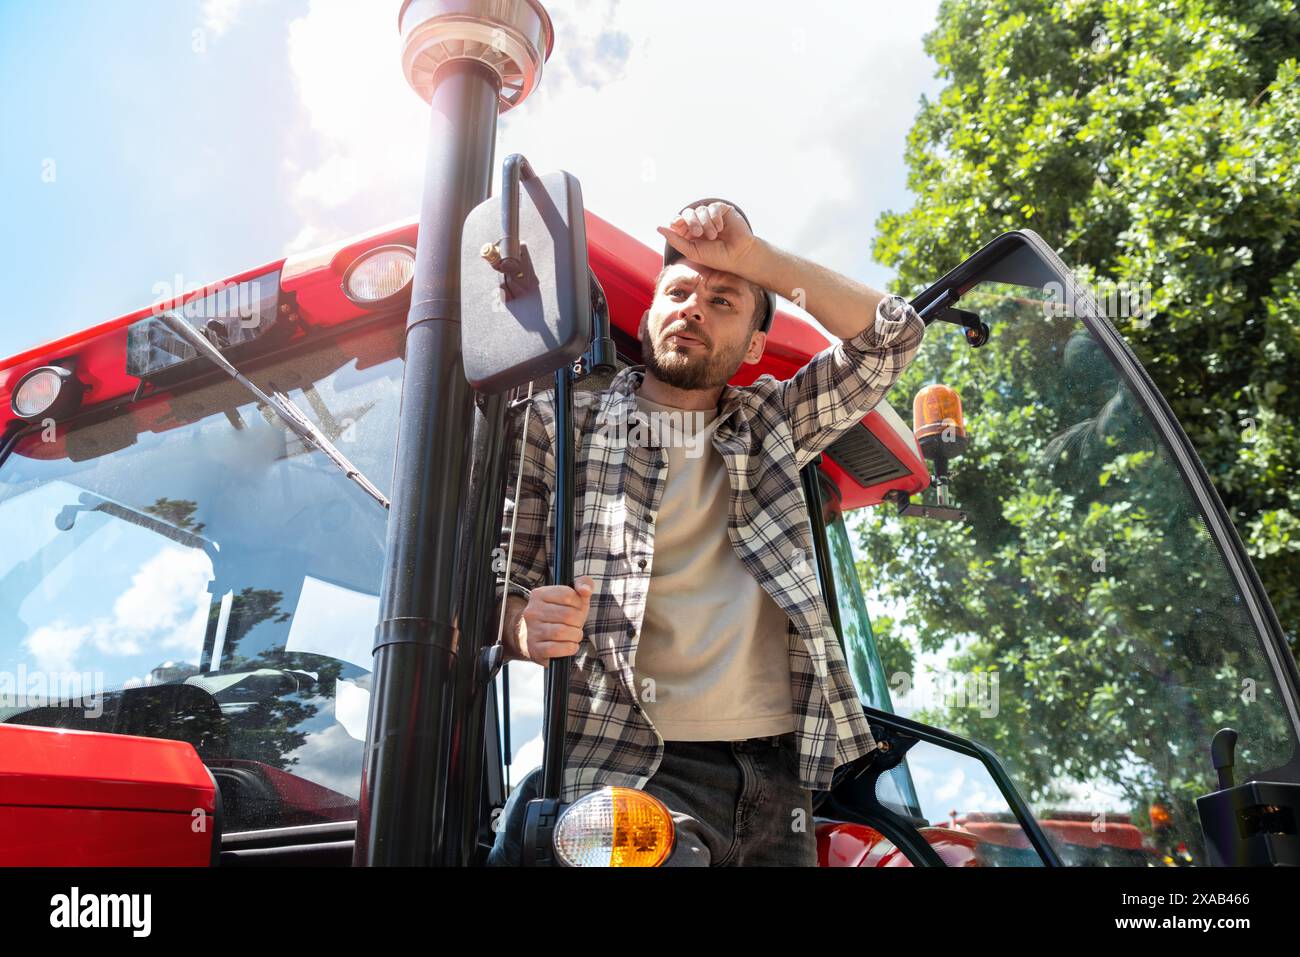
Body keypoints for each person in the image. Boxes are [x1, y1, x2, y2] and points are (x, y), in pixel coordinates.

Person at [488, 198, 925, 866]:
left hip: (784, 780)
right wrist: (523, 625)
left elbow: (891, 336)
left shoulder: (773, 423)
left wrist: (754, 258)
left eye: (723, 301)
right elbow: (493, 591)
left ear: (754, 346)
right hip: (631, 763)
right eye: (680, 291)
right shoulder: (562, 420)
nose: (694, 307)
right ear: (649, 314)